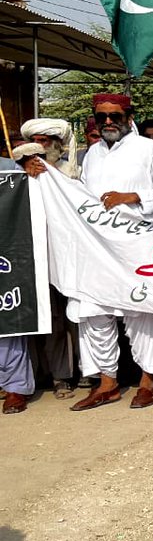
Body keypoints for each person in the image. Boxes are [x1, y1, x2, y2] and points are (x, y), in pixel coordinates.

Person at [35, 93, 153, 411]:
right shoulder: (91, 155)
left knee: (142, 315)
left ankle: (147, 382)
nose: (108, 122)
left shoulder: (149, 149)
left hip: (137, 244)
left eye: (115, 116)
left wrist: (132, 196)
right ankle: (107, 383)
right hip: (96, 247)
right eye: (102, 117)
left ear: (129, 115)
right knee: (93, 312)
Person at [13, 120, 78, 400]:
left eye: (48, 140)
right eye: (37, 140)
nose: (43, 145)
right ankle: (32, 376)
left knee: (66, 320)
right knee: (32, 317)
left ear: (58, 144)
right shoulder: (19, 175)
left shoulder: (72, 173)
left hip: (68, 256)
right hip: (29, 258)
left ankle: (63, 375)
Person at [0, 154, 37, 415]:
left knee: (8, 318)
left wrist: (29, 175)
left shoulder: (9, 169)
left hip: (5, 252)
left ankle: (15, 387)